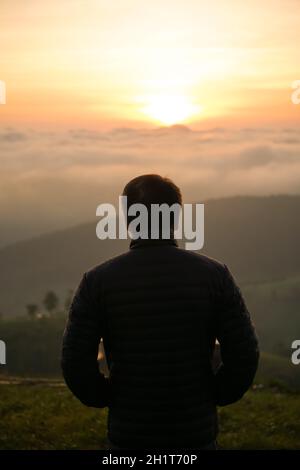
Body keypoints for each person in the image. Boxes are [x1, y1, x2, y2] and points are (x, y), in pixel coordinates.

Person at [61, 174, 259, 449]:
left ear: (129, 219)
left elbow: (75, 364)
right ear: (175, 217)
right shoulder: (215, 276)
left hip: (129, 436)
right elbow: (244, 354)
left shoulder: (97, 282)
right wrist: (212, 394)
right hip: (195, 435)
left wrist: (109, 396)